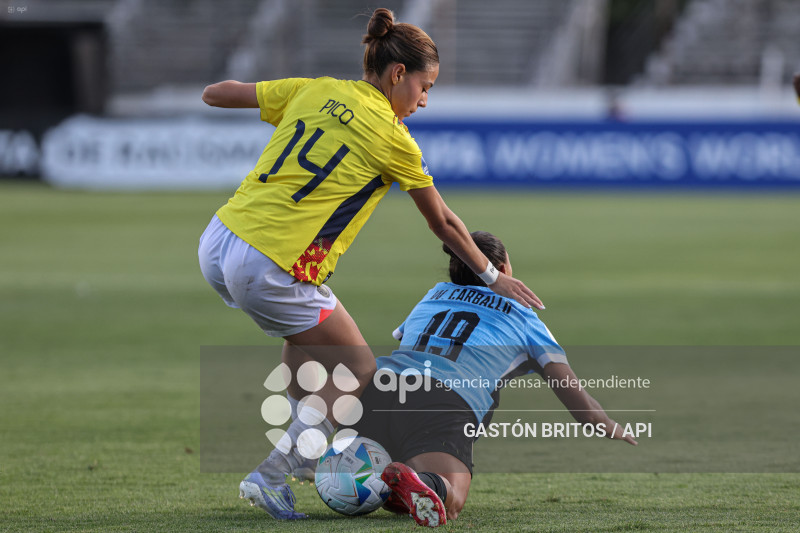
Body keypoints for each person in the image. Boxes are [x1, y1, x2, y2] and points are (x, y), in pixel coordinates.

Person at [197, 8, 543, 520]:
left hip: (219, 238)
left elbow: (217, 92)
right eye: (425, 86)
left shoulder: (315, 88)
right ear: (398, 74)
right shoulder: (394, 137)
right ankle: (275, 471)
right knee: (359, 369)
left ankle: (304, 453)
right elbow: (445, 223)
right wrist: (496, 278)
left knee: (306, 342)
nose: (425, 100)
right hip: (271, 261)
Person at [346, 231, 637, 527]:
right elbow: (580, 404)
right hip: (441, 397)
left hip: (379, 388)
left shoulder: (434, 294)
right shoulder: (524, 316)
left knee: (402, 466)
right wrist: (609, 425)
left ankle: (366, 477)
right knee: (452, 495)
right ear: (504, 269)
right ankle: (424, 482)